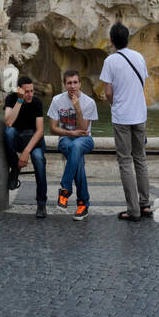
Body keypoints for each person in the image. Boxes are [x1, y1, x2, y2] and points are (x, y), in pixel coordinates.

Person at [99, 21, 151, 221]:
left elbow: (108, 91)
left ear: (111, 41)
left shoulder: (110, 61)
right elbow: (142, 83)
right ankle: (145, 204)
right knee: (141, 158)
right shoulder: (139, 57)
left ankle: (133, 210)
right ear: (127, 38)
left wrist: (114, 104)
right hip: (140, 115)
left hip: (122, 117)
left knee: (125, 161)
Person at [47, 69, 98, 220]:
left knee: (76, 147)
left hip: (85, 139)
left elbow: (83, 130)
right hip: (65, 139)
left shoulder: (89, 102)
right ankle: (83, 204)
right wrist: (70, 133)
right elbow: (52, 128)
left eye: (75, 82)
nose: (72, 86)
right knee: (78, 160)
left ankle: (65, 188)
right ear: (64, 85)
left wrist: (77, 108)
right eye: (69, 83)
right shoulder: (57, 100)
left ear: (80, 83)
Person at [4, 76, 48, 218]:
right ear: (19, 90)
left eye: (32, 91)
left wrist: (26, 152)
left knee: (38, 159)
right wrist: (20, 100)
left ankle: (41, 203)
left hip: (34, 140)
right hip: (18, 137)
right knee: (9, 132)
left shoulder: (37, 103)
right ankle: (15, 168)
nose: (30, 94)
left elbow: (40, 130)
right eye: (26, 91)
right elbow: (9, 122)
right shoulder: (11, 99)